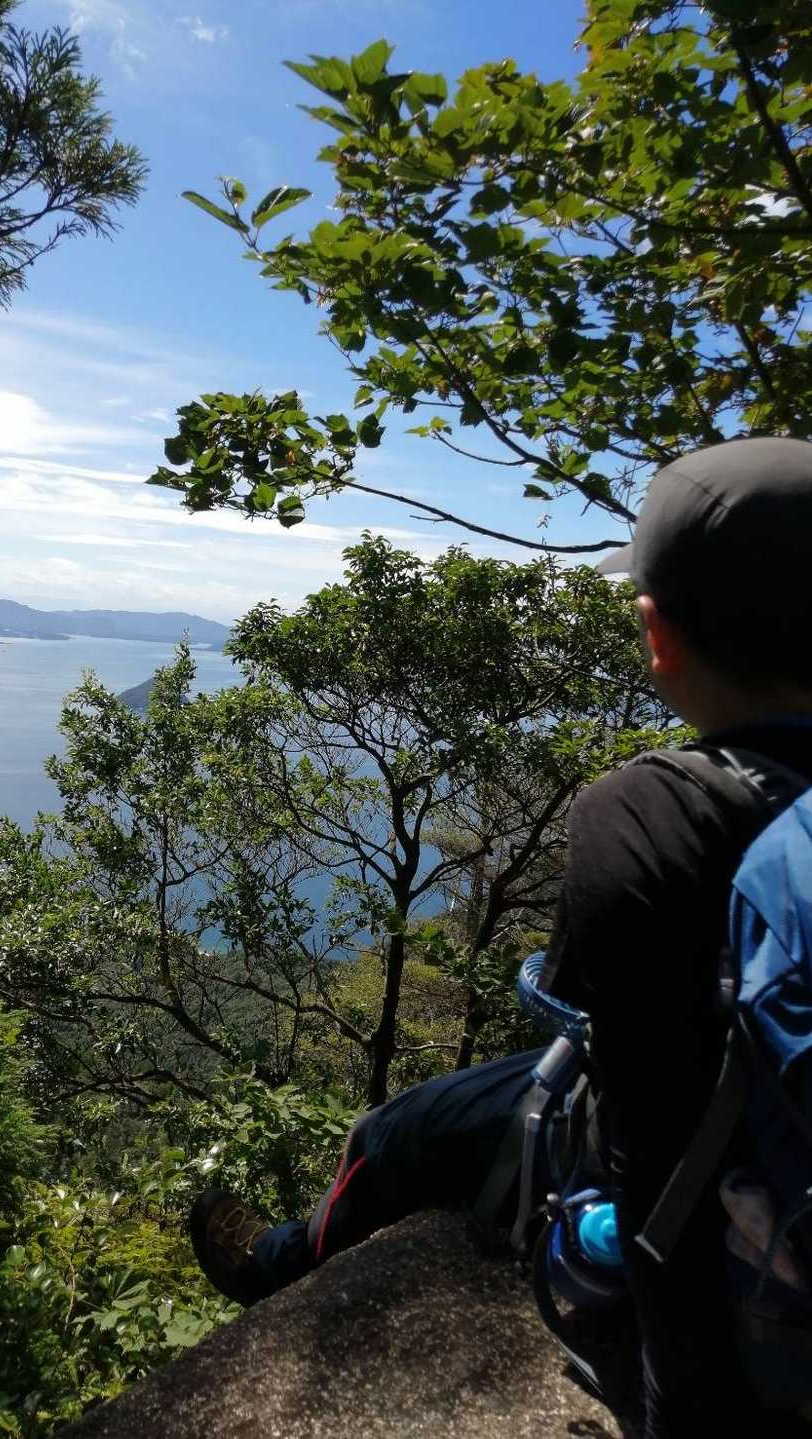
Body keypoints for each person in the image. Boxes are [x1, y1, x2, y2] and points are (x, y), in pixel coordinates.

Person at [189, 437, 812, 1437]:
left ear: (657, 634)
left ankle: (276, 1261)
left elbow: (649, 1134)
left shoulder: (652, 809)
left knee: (398, 1130)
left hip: (736, 1200)